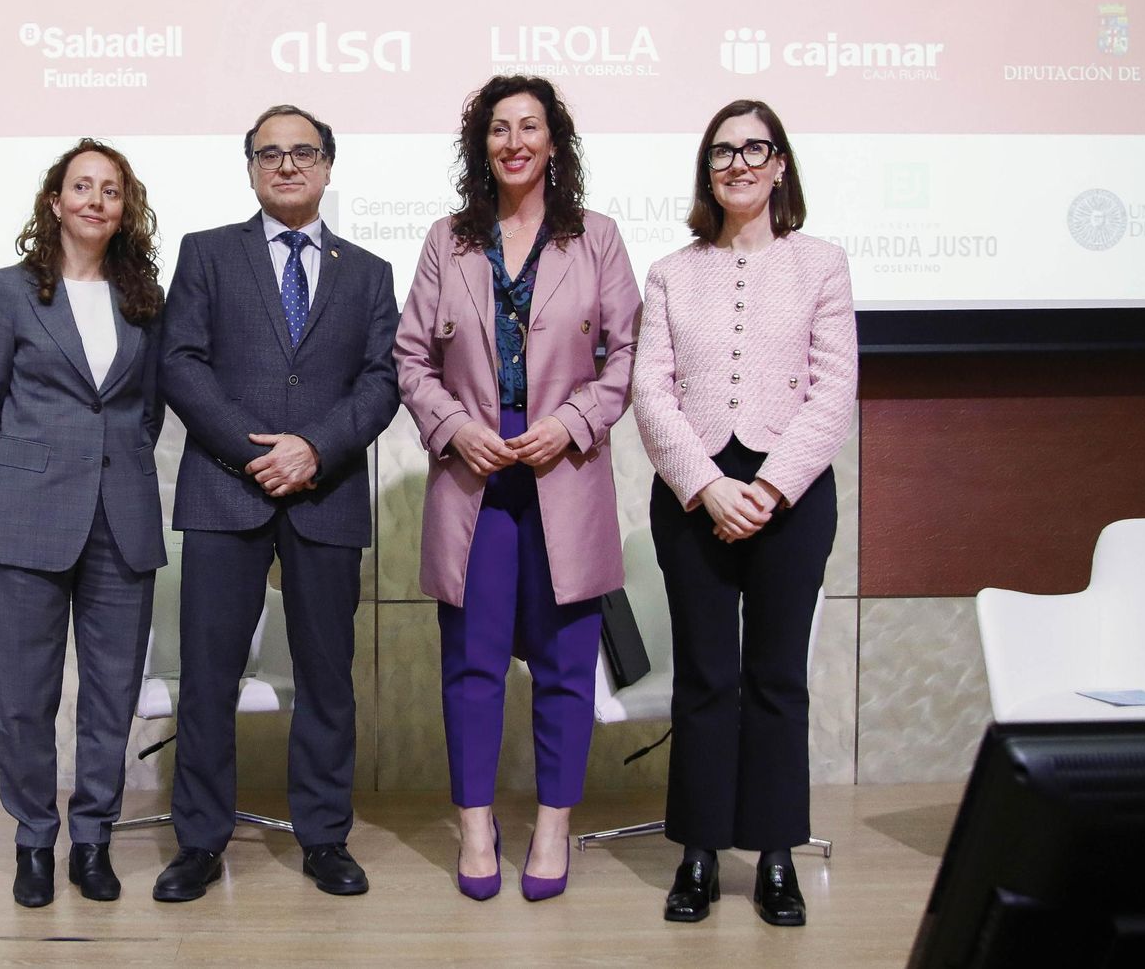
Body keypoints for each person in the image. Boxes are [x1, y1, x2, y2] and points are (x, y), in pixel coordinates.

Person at [394, 75, 640, 901]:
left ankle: (553, 826)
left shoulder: (596, 238)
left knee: (568, 663)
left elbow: (626, 357)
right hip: (474, 474)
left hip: (562, 470)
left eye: (529, 127)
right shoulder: (448, 240)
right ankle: (474, 823)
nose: (514, 142)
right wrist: (455, 428)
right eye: (499, 129)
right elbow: (410, 359)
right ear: (481, 146)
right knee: (471, 663)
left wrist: (571, 423)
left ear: (553, 142)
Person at [153, 104, 400, 902]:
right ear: (251, 168)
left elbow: (382, 381)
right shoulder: (206, 255)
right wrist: (256, 451)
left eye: (303, 153)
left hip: (325, 495)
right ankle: (198, 842)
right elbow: (181, 363)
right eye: (270, 154)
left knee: (327, 678)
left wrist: (315, 450)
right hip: (227, 488)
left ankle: (325, 838)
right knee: (208, 677)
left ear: (328, 166)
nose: (287, 165)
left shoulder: (368, 272)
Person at [633, 99, 857, 926]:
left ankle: (773, 857)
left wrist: (769, 487)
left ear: (779, 163)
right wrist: (707, 484)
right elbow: (650, 393)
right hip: (694, 497)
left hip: (790, 498)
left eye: (753, 149)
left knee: (775, 679)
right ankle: (695, 853)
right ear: (708, 168)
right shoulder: (669, 271)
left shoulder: (822, 264)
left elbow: (835, 391)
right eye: (722, 152)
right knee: (704, 678)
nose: (737, 163)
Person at [0, 138, 166, 908]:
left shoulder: (144, 297)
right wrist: (21, 487)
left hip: (123, 519)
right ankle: (33, 843)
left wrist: (107, 477)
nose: (94, 200)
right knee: (25, 697)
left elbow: (146, 411)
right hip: (27, 524)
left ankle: (93, 841)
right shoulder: (9, 290)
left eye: (110, 190)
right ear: (54, 201)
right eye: (81, 186)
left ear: (124, 210)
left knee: (111, 695)